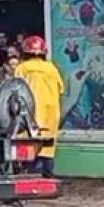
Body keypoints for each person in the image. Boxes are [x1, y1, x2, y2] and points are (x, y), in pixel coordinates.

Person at [15, 36, 64, 177]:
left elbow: (15, 89)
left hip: (31, 113)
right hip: (51, 113)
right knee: (47, 146)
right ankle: (48, 174)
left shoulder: (22, 68)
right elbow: (61, 89)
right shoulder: (51, 68)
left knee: (29, 143)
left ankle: (29, 174)